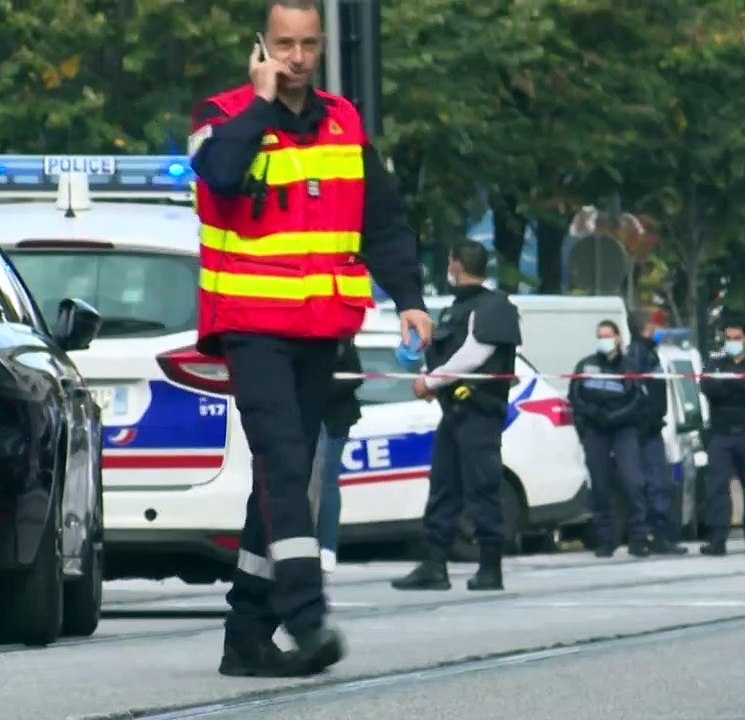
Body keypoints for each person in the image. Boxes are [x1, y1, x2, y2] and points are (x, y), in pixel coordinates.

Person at [189, 0, 433, 677]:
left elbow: (381, 221)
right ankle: (305, 616)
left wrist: (409, 299)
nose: (296, 57)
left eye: (307, 45)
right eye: (283, 44)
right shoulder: (221, 113)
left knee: (282, 476)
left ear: (321, 46)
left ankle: (246, 635)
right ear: (262, 46)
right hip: (251, 327)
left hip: (320, 329)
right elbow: (219, 177)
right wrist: (262, 105)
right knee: (287, 467)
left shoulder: (344, 123)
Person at [392, 240, 522, 591]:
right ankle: (435, 566)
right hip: (454, 412)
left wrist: (431, 381)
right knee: (443, 488)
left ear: (456, 263)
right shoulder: (456, 309)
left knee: (483, 488)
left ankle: (490, 568)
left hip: (479, 413)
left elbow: (475, 355)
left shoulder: (496, 307)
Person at [570, 320, 650, 557]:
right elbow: (575, 396)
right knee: (600, 485)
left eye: (608, 335)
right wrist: (590, 416)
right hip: (596, 430)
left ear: (617, 337)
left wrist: (615, 416)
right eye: (600, 335)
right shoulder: (586, 365)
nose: (604, 340)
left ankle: (638, 538)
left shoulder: (630, 366)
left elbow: (638, 400)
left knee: (632, 482)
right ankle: (605, 539)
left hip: (623, 428)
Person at [699, 321, 745, 556]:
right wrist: (737, 384)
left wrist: (727, 384)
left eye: (736, 338)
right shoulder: (715, 363)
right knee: (717, 487)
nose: (732, 343)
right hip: (721, 434)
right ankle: (717, 538)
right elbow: (708, 388)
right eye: (728, 338)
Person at [627, 312, 687, 555]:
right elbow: (637, 391)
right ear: (648, 328)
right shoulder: (639, 355)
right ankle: (651, 535)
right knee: (655, 484)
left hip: (649, 427)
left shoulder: (647, 353)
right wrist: (646, 418)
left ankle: (652, 535)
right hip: (645, 429)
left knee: (656, 484)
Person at [312, 337, 362, 574]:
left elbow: (354, 375)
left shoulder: (340, 338)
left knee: (327, 481)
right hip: (306, 415)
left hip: (334, 418)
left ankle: (327, 546)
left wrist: (315, 389)